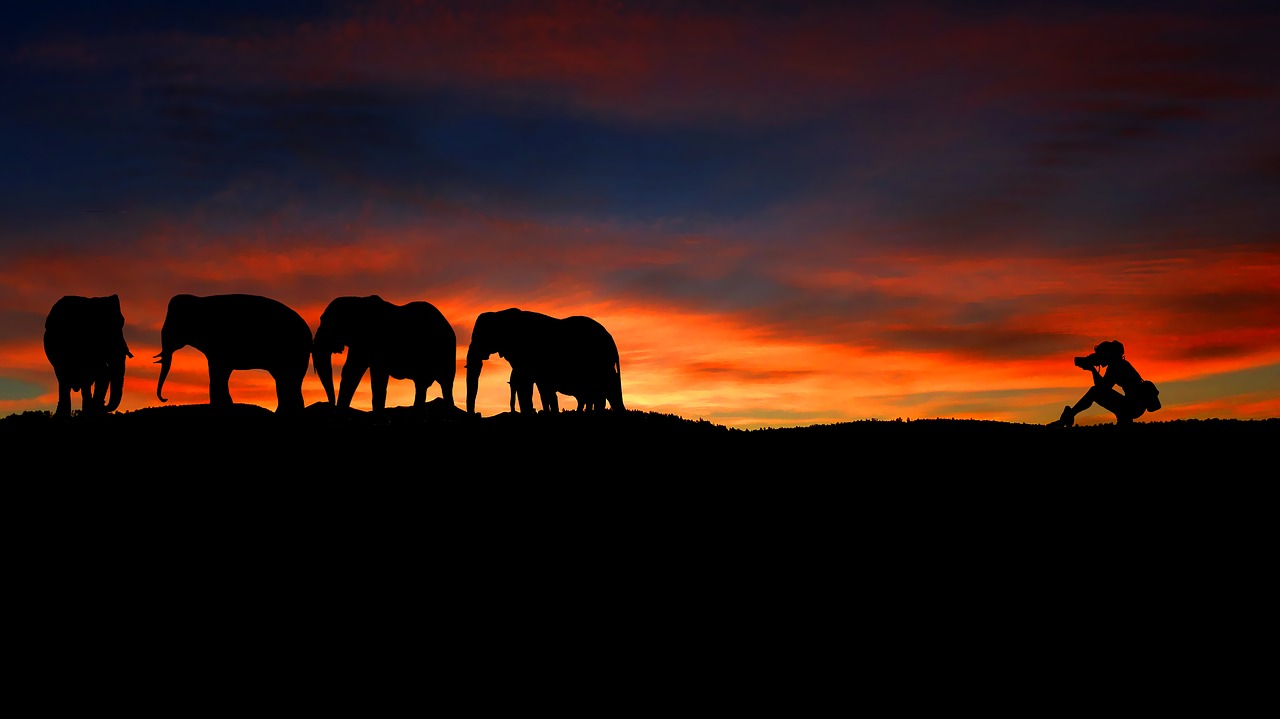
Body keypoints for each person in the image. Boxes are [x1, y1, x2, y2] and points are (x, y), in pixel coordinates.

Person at [1047, 340, 1154, 427]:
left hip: (1133, 407)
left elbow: (1102, 388)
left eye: (1101, 355)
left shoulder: (1116, 366)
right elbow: (1104, 387)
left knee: (1094, 391)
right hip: (1135, 406)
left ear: (1108, 355)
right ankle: (1124, 421)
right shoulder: (1120, 364)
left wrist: (1092, 370)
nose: (1099, 358)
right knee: (1098, 393)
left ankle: (1067, 417)